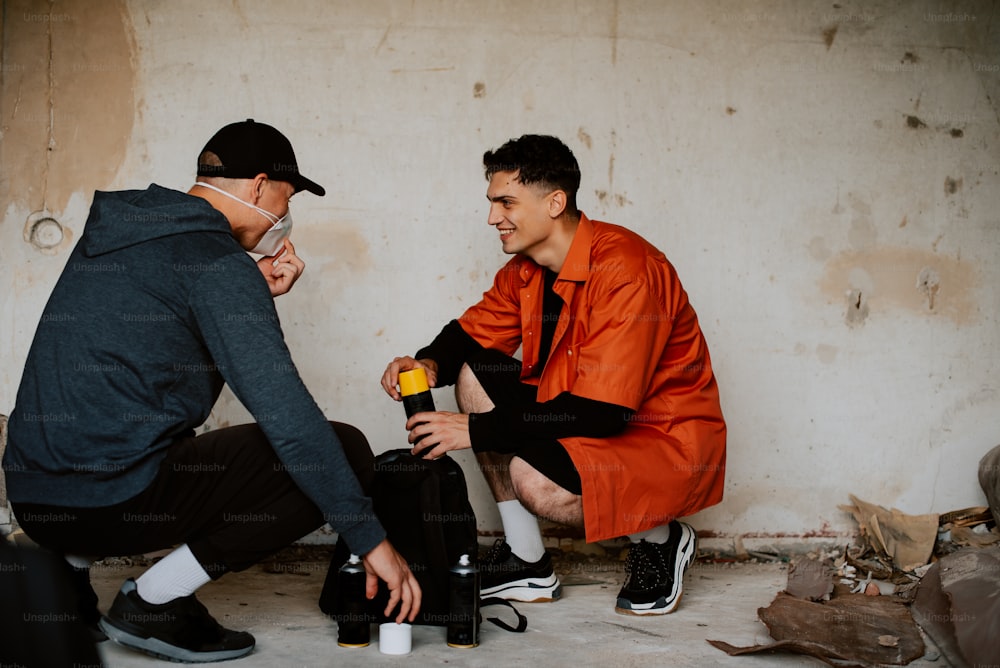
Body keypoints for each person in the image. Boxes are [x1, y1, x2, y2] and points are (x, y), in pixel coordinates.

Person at [3, 119, 420, 662]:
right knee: (341, 449)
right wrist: (370, 539)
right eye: (288, 198)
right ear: (259, 187)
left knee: (113, 428)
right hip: (113, 503)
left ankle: (67, 581)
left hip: (34, 499)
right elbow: (288, 418)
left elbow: (144, 358)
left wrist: (250, 299)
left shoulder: (121, 232)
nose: (287, 216)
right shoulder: (219, 265)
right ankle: (153, 601)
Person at [381, 134, 726, 616]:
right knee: (472, 374)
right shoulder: (528, 269)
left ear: (555, 202)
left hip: (655, 437)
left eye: (506, 202)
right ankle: (526, 562)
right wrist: (428, 363)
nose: (492, 217)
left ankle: (660, 538)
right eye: (491, 202)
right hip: (580, 412)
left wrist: (474, 430)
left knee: (537, 482)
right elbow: (472, 336)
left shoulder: (626, 270)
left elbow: (605, 413)